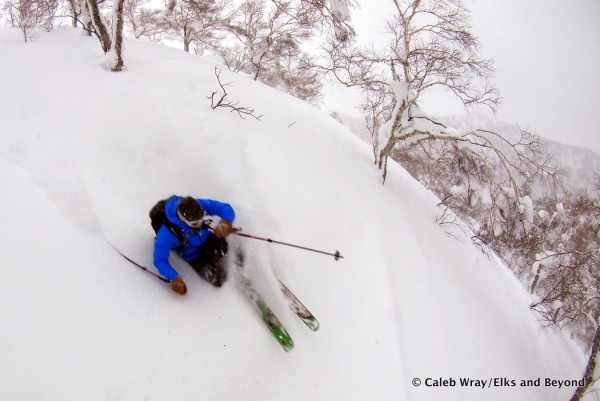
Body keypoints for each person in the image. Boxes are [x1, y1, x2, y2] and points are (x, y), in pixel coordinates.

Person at [151, 196, 235, 295]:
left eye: (202, 219)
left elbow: (224, 208)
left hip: (207, 237)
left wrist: (226, 222)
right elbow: (159, 260)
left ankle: (238, 270)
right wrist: (173, 277)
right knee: (217, 280)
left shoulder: (198, 205)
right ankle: (230, 287)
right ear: (183, 220)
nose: (200, 225)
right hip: (193, 255)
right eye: (195, 224)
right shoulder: (166, 234)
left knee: (224, 250)